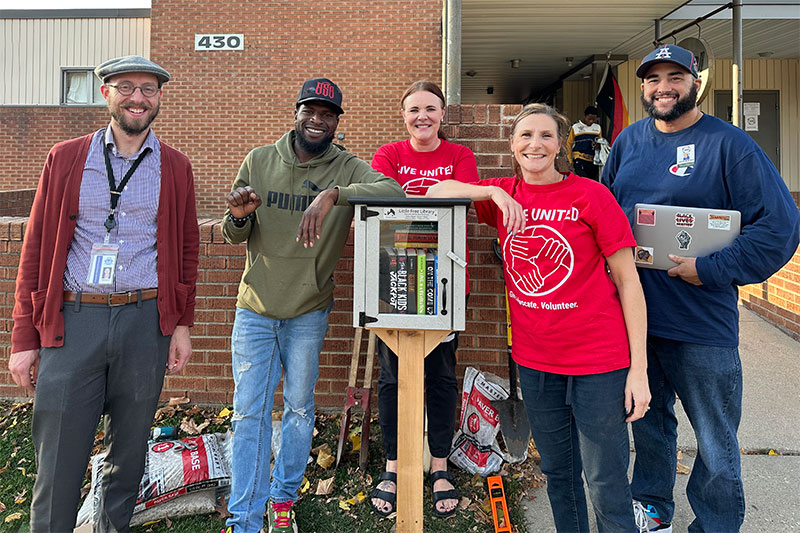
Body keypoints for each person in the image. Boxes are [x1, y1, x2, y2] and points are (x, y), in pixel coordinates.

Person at [601, 44, 800, 533]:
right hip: (638, 322)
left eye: (675, 77)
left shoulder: (729, 145)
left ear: (696, 83)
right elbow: (604, 219)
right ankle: (651, 511)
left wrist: (709, 268)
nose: (663, 88)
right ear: (642, 87)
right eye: (652, 79)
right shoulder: (628, 143)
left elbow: (779, 227)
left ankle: (715, 524)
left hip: (701, 325)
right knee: (647, 426)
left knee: (713, 440)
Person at [427, 103, 651, 531]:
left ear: (560, 144)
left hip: (598, 361)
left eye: (546, 135)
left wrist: (637, 369)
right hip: (535, 362)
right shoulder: (505, 194)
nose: (536, 144)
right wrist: (490, 192)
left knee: (604, 480)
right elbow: (433, 192)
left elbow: (629, 283)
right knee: (559, 474)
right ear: (512, 145)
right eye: (526, 135)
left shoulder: (591, 195)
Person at [8, 55, 199, 532]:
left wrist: (180, 325)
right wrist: (23, 338)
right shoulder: (67, 157)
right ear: (106, 93)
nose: (139, 97)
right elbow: (35, 248)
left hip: (144, 322)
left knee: (128, 457)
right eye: (127, 87)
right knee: (59, 462)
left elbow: (187, 250)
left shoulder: (175, 167)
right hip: (75, 320)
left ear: (160, 98)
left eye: (149, 89)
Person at [221, 78, 405, 533]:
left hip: (308, 311)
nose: (317, 120)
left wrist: (333, 194)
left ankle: (283, 499)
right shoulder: (260, 160)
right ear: (296, 112)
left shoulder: (346, 167)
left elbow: (394, 192)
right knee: (249, 413)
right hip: (256, 310)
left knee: (300, 409)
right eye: (311, 110)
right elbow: (233, 234)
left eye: (328, 114)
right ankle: (242, 516)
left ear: (337, 122)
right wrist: (239, 216)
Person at [369, 80, 479, 519]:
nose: (422, 117)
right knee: (392, 375)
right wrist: (434, 197)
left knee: (441, 374)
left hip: (445, 280)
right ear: (404, 115)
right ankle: (395, 464)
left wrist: (420, 198)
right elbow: (382, 202)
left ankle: (439, 463)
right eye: (414, 109)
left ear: (442, 114)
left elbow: (462, 199)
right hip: (395, 280)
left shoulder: (459, 157)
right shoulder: (389, 155)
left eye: (430, 109)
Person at [565, 105, 602, 180]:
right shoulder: (575, 127)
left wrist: (599, 146)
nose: (591, 121)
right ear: (585, 116)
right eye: (589, 119)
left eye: (594, 119)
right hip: (580, 158)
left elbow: (601, 142)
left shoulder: (597, 128)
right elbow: (568, 144)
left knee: (592, 182)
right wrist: (570, 161)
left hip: (593, 161)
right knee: (583, 180)